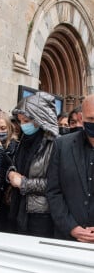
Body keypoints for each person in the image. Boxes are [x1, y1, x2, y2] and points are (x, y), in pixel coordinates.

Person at [7, 91, 59, 238]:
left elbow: (55, 184)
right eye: (21, 121)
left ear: (40, 119)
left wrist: (24, 183)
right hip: (18, 207)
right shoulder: (24, 141)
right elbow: (16, 166)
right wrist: (10, 172)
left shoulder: (55, 144)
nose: (23, 125)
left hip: (40, 215)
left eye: (26, 120)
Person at [47, 94, 94, 242]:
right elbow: (54, 191)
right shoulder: (62, 146)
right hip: (67, 238)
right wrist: (71, 228)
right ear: (81, 118)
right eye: (91, 119)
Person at [0, 111, 19, 232]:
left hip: (8, 200)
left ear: (9, 128)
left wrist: (0, 151)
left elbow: (13, 168)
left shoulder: (16, 146)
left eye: (3, 128)